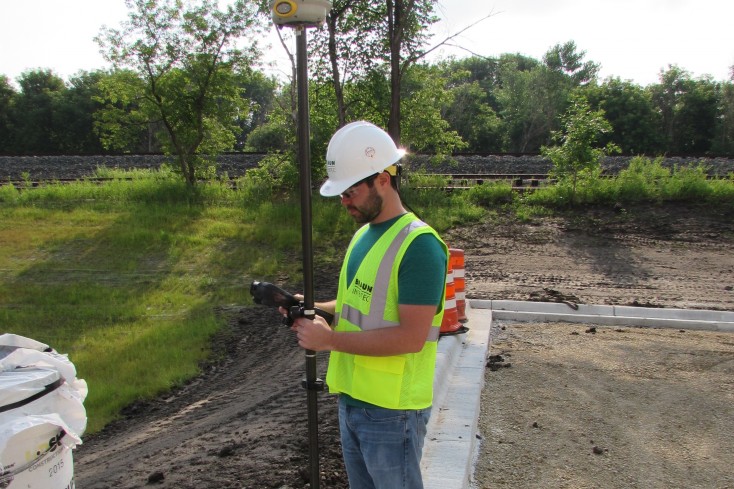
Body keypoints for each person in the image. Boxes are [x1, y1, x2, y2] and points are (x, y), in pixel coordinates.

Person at [288, 121, 448, 489]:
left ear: (383, 179)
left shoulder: (419, 246)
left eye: (351, 191)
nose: (344, 202)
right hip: (353, 401)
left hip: (392, 413)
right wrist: (309, 306)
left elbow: (410, 337)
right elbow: (354, 308)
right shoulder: (364, 235)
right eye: (340, 194)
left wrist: (328, 341)